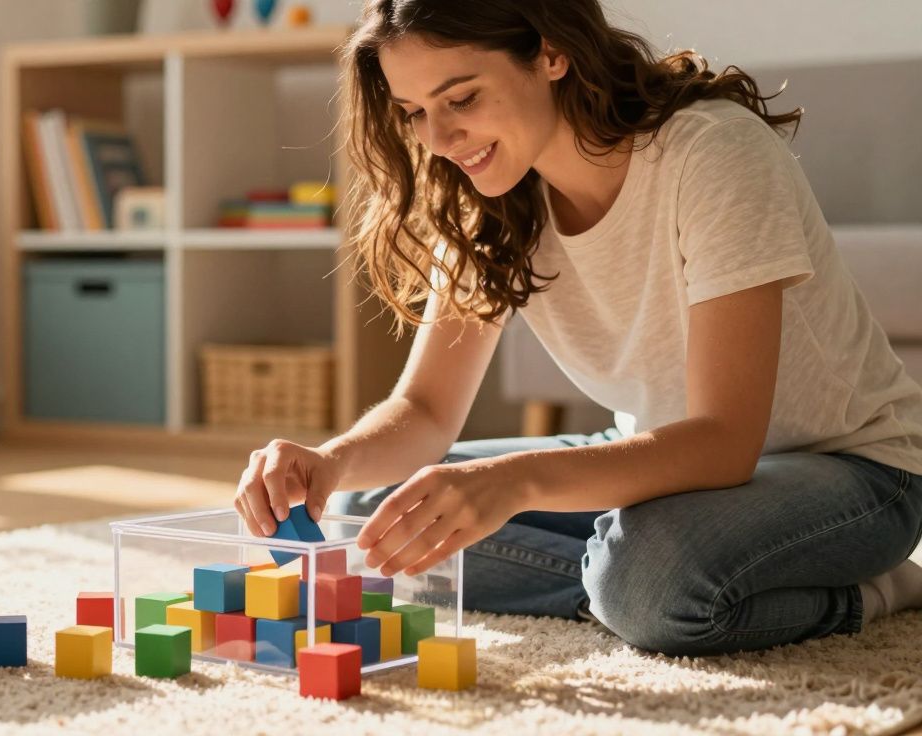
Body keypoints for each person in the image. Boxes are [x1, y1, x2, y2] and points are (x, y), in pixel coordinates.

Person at [231, 0, 922, 657]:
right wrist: (328, 462)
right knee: (375, 511)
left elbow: (725, 444)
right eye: (415, 112)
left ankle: (880, 588)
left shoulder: (710, 155)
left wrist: (518, 485)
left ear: (551, 52)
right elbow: (426, 411)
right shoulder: (489, 200)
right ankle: (617, 580)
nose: (438, 140)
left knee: (648, 577)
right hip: (658, 470)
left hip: (851, 471)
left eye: (462, 98)